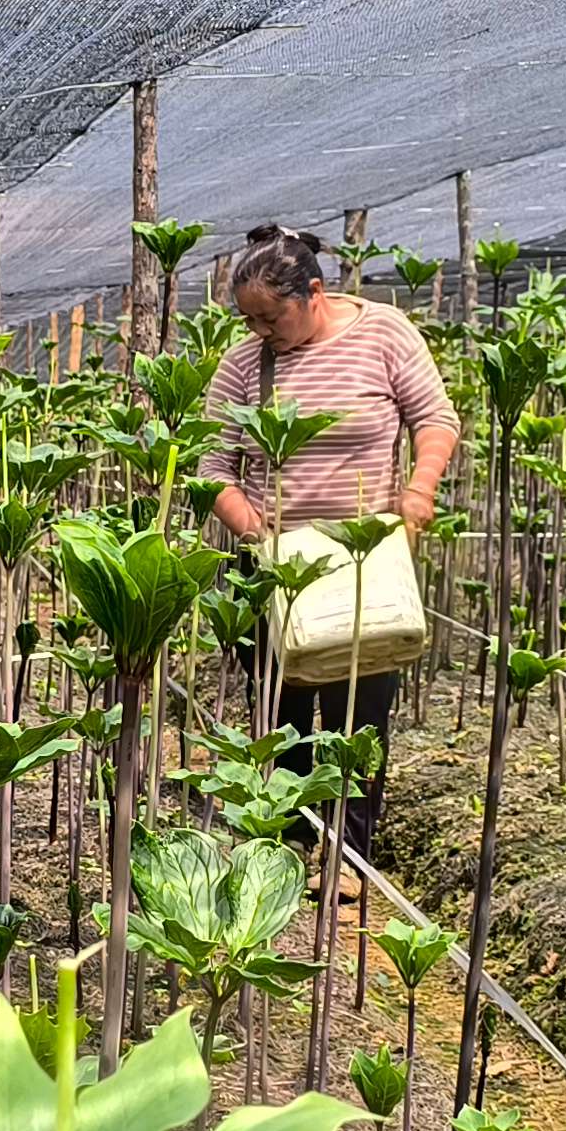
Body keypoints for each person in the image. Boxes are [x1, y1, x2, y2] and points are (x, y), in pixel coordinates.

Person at [201, 222, 460, 800]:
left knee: (359, 724)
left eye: (271, 318)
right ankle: (287, 844)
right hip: (277, 569)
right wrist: (256, 532)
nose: (260, 332)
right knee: (281, 720)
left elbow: (435, 419)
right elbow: (213, 466)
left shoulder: (385, 334)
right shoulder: (244, 364)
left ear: (314, 293)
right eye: (249, 321)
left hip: (365, 562)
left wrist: (419, 490)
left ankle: (350, 858)